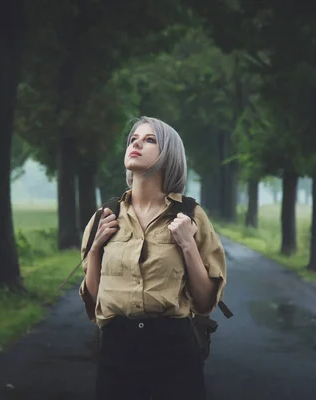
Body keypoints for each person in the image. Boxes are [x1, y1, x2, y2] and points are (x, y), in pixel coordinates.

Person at [78, 116, 227, 400]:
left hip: (174, 351)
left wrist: (187, 245)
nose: (136, 143)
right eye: (134, 138)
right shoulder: (106, 217)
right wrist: (96, 248)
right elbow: (93, 303)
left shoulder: (191, 215)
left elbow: (206, 303)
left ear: (168, 155)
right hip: (116, 350)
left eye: (150, 140)